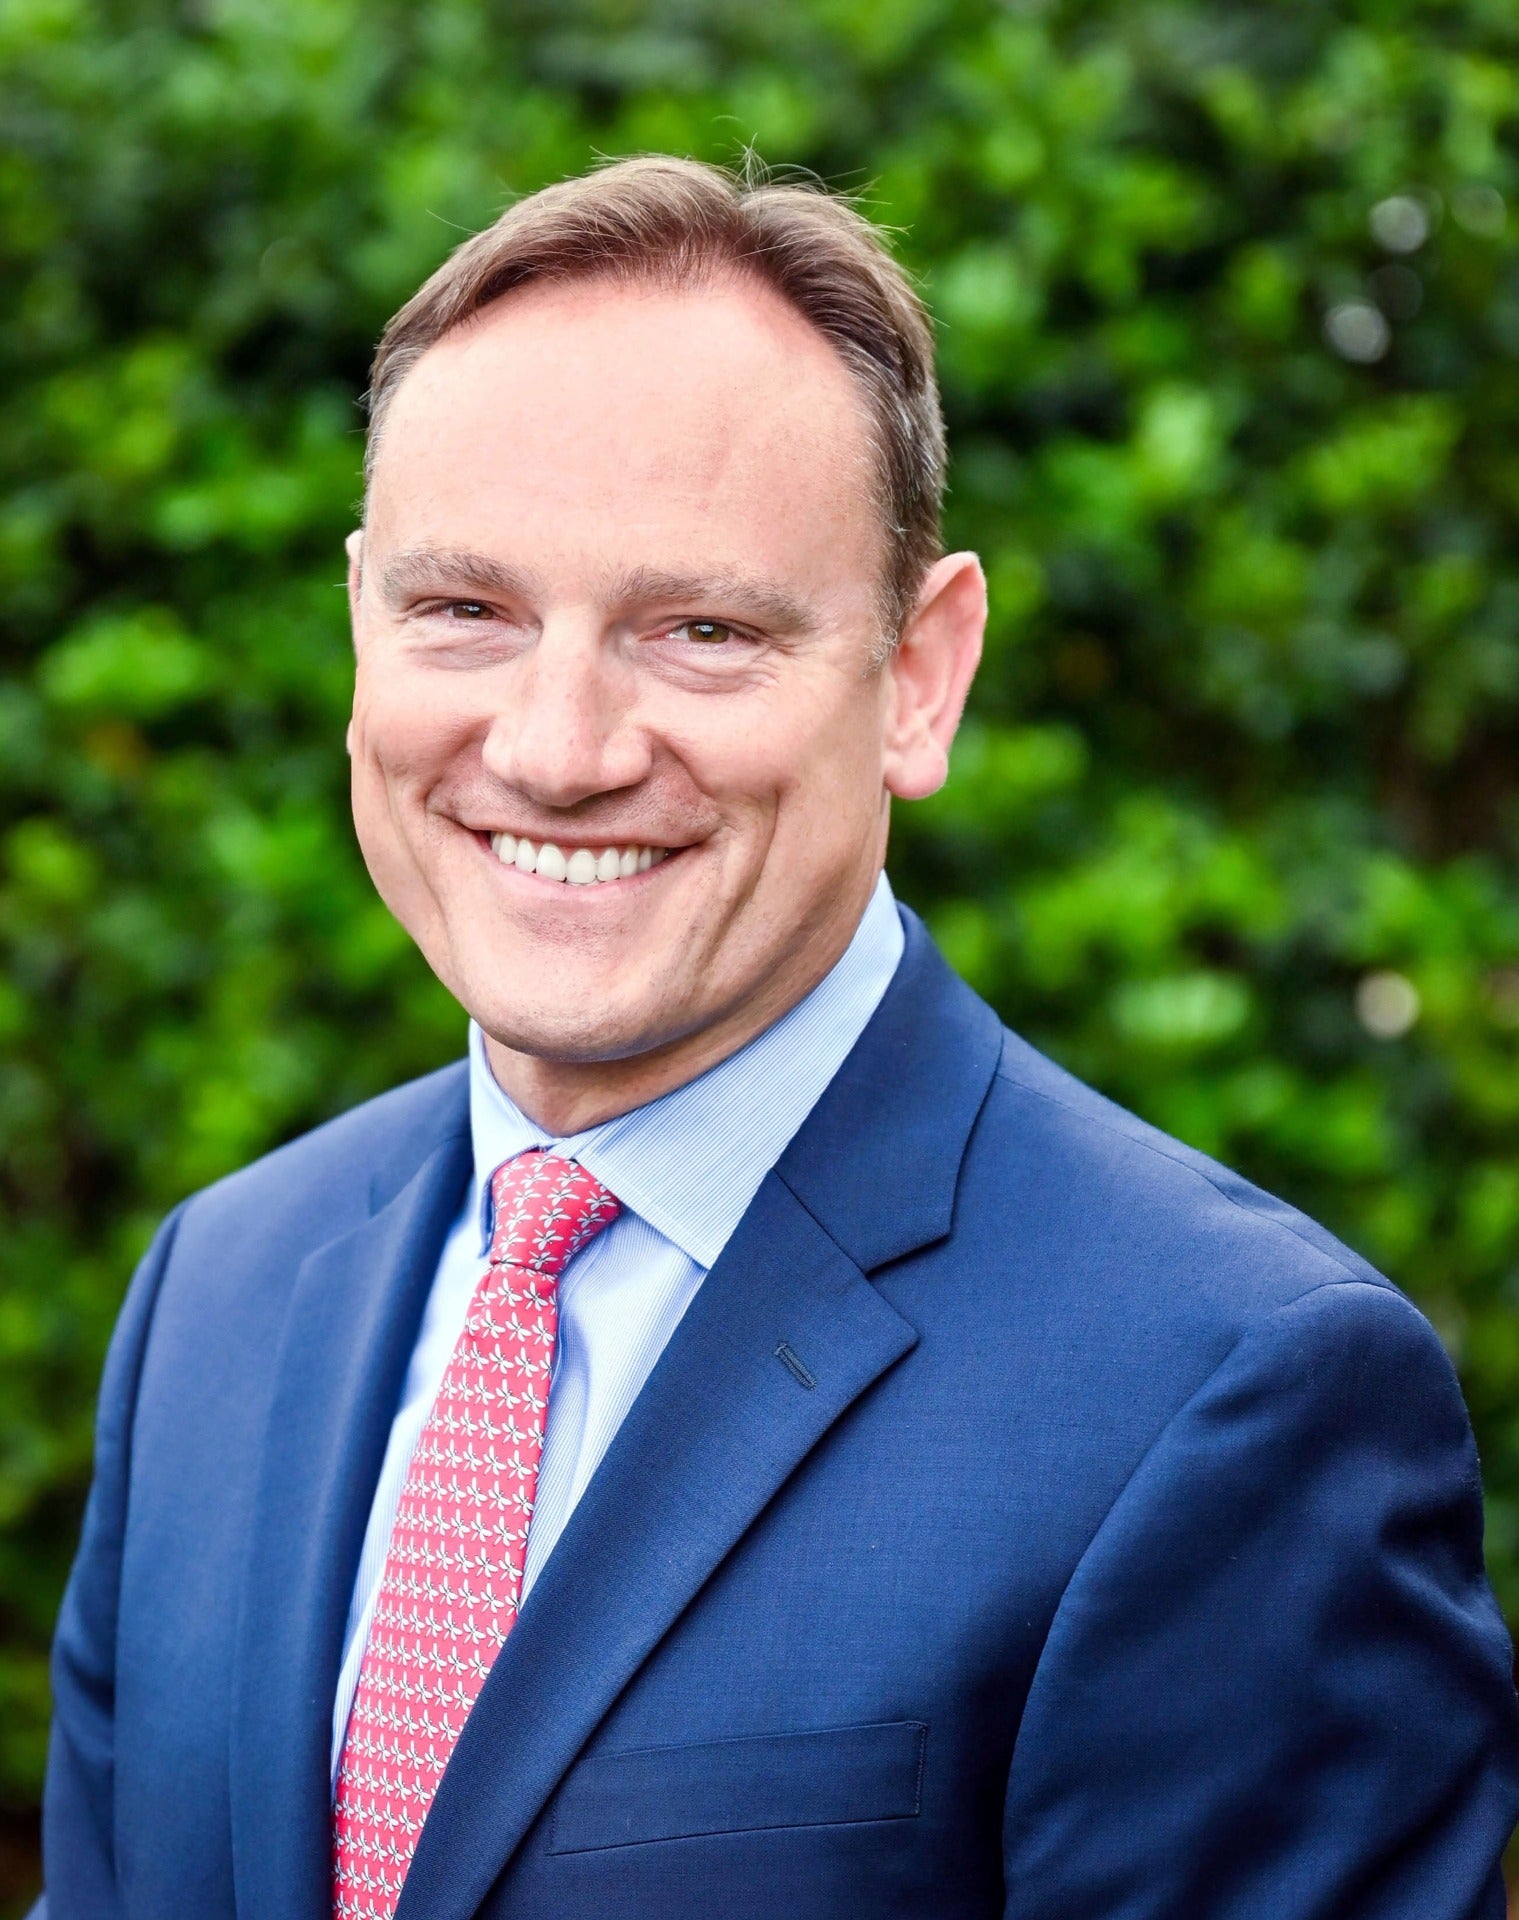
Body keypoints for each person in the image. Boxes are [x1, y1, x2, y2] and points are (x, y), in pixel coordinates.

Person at [35, 155, 1519, 1920]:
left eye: (703, 630)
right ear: (360, 616)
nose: (558, 747)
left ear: (921, 676)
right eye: (465, 611)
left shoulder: (1234, 1397)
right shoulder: (218, 1293)